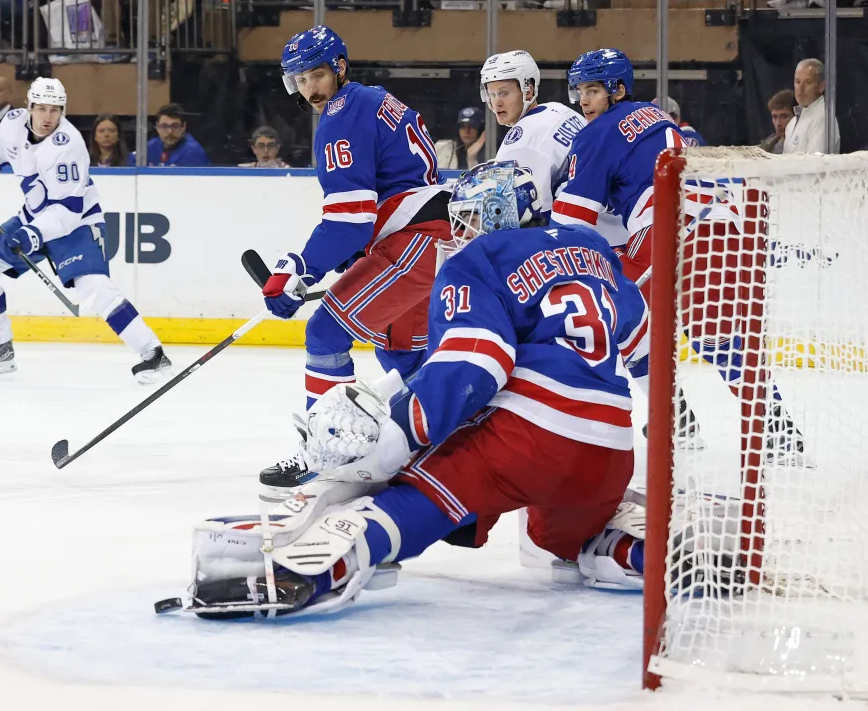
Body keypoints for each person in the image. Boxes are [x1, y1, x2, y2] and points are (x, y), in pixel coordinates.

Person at [180, 162, 651, 619]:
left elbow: (474, 365)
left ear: (500, 214)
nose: (458, 233)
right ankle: (642, 553)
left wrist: (396, 436)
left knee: (414, 495)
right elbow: (642, 337)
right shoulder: (591, 247)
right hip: (609, 447)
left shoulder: (479, 258)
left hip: (526, 438)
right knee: (563, 536)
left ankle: (318, 569)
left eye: (467, 219)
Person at [553, 47, 804, 462]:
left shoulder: (597, 133)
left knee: (609, 313)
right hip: (724, 219)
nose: (583, 100)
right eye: (579, 90)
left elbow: (570, 224)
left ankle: (670, 416)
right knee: (715, 336)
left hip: (670, 226)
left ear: (617, 90)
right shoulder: (662, 119)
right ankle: (776, 426)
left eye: (593, 90)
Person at [257, 25, 451, 496]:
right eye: (300, 80)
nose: (310, 89)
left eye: (318, 75)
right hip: (429, 240)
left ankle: (325, 455)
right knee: (404, 356)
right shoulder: (373, 98)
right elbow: (386, 192)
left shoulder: (342, 115)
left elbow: (349, 220)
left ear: (340, 69)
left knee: (325, 332)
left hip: (412, 243)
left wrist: (298, 267)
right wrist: (355, 252)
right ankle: (429, 451)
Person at [0, 77, 172, 382]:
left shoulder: (68, 146)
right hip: (34, 216)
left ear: (63, 110)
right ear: (29, 107)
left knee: (92, 286)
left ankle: (153, 354)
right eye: (41, 108)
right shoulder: (12, 125)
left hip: (77, 222)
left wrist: (31, 235)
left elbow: (66, 213)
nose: (47, 117)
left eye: (55, 110)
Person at [481, 50, 588, 228]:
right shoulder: (560, 110)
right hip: (607, 225)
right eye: (492, 94)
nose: (496, 102)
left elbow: (530, 217)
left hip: (580, 234)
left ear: (528, 90)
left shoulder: (521, 143)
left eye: (504, 93)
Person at [783, 58, 840, 155]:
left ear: (821, 86)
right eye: (798, 82)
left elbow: (816, 166)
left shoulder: (823, 119)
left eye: (808, 82)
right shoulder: (791, 123)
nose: (801, 88)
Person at [128, 104, 210, 167]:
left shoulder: (193, 153)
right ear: (157, 127)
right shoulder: (151, 147)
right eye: (164, 126)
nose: (170, 131)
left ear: (183, 127)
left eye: (175, 126)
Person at [760, 89, 796, 154]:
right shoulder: (769, 142)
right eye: (774, 117)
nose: (778, 123)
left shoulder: (800, 145)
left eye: (784, 117)